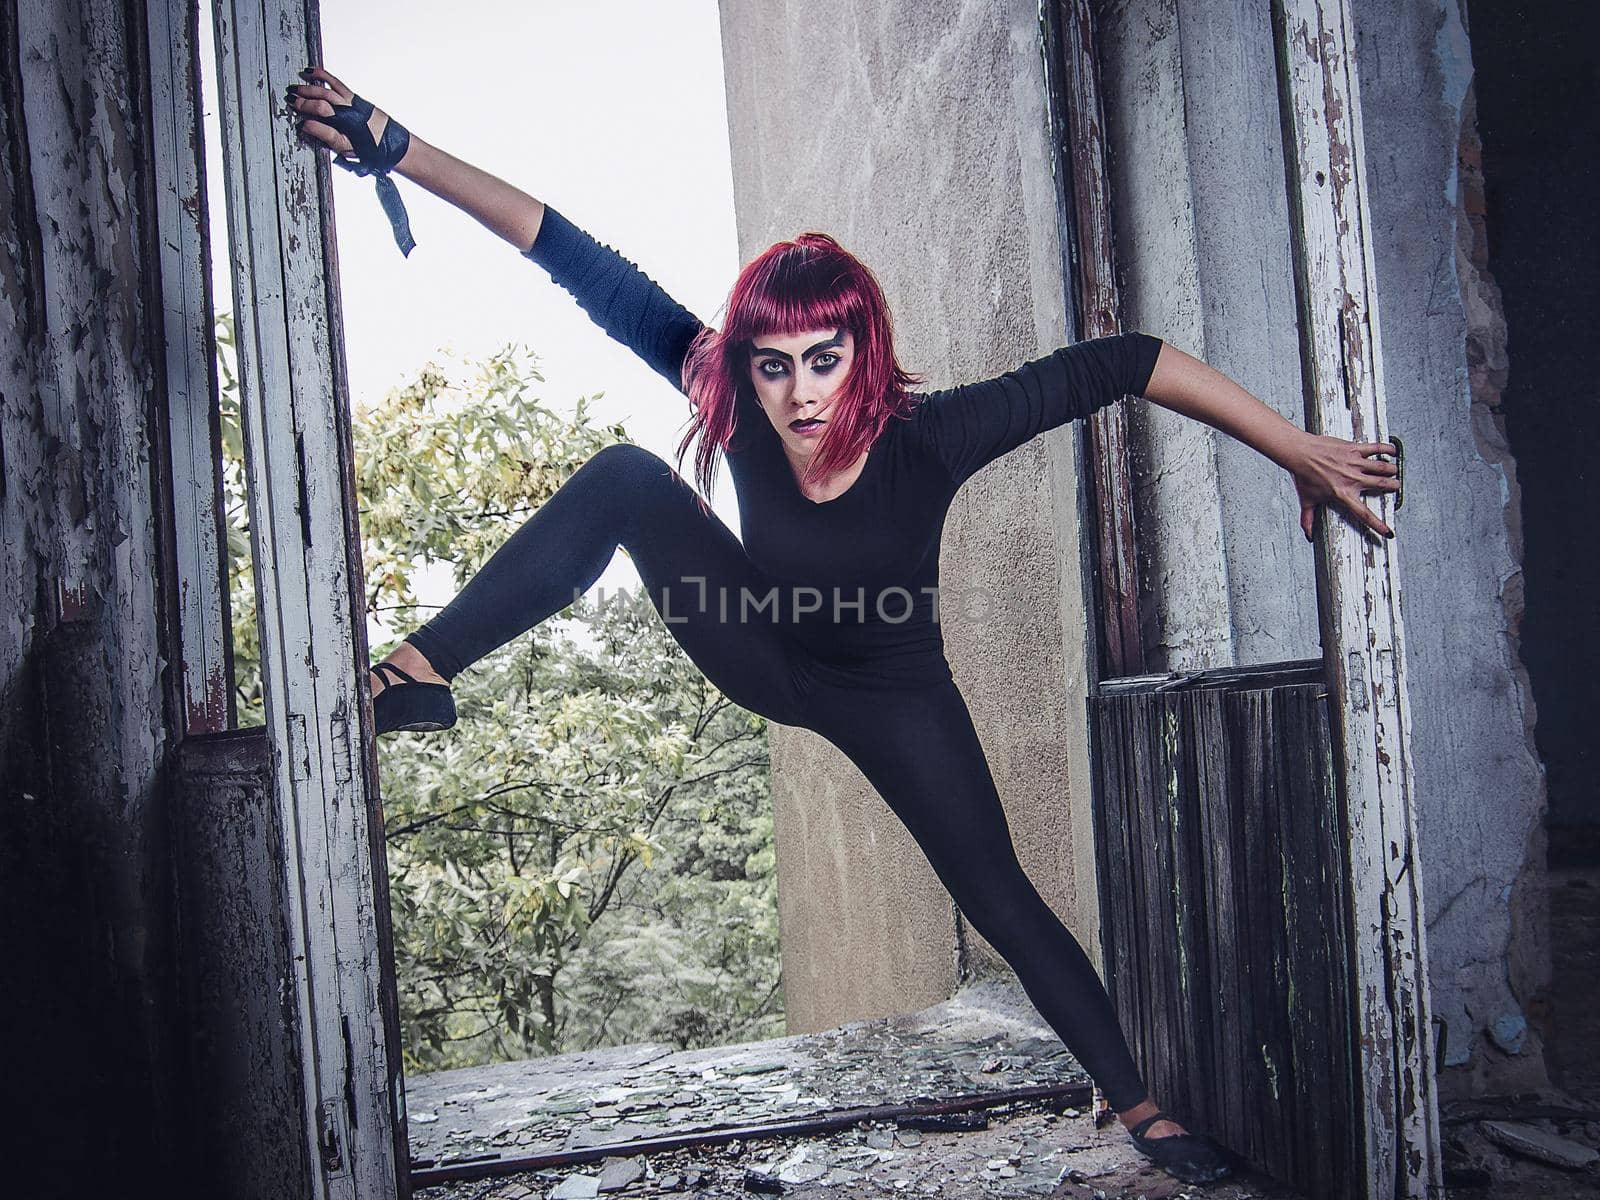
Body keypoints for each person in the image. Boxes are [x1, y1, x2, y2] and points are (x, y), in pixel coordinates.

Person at [287, 65, 1399, 1187]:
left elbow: (1128, 363)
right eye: (773, 368)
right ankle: (416, 673)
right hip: (764, 647)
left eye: (824, 360)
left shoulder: (931, 437)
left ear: (862, 348)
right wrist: (398, 147)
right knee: (626, 477)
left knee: (995, 888)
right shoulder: (724, 389)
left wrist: (1298, 450)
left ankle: (1145, 1109)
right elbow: (566, 250)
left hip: (894, 692)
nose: (800, 394)